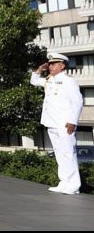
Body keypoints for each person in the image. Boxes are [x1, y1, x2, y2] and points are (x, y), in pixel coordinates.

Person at [30, 52, 83, 195]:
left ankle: (73, 185)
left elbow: (78, 101)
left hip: (64, 123)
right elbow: (34, 81)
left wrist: (72, 121)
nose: (50, 66)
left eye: (53, 64)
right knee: (59, 154)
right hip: (51, 122)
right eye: (50, 64)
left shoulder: (67, 80)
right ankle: (64, 182)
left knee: (68, 153)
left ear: (62, 65)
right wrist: (39, 70)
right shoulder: (49, 80)